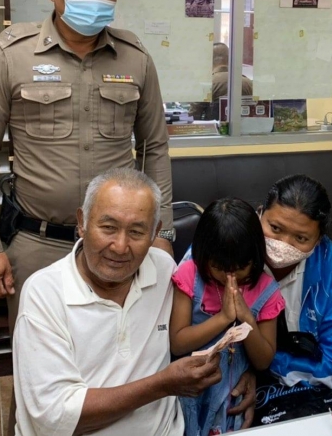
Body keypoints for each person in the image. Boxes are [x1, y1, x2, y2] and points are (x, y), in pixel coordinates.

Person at [0, 0, 177, 334]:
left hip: (119, 245)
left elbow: (154, 149)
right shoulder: (10, 54)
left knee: (120, 349)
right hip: (38, 242)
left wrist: (162, 232)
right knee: (39, 356)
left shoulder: (135, 57)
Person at [12, 167, 221, 435]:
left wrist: (243, 371)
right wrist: (162, 385)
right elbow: (55, 418)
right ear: (82, 222)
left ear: (155, 233)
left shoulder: (164, 270)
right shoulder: (44, 294)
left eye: (136, 232)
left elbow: (204, 323)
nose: (120, 247)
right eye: (109, 228)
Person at [253, 175, 332, 426]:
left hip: (312, 386)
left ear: (319, 238)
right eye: (275, 228)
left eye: (301, 238)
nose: (283, 245)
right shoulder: (228, 243)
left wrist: (265, 365)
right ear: (260, 213)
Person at [170, 198, 283, 436]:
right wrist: (223, 318)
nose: (229, 276)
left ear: (255, 257)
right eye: (219, 267)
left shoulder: (265, 290)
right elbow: (178, 343)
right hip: (190, 394)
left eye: (240, 268)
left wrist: (246, 318)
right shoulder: (190, 274)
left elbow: (263, 361)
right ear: (203, 254)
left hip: (232, 401)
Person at [190, 43, 253, 121]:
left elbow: (193, 117)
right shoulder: (248, 83)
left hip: (215, 128)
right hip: (244, 128)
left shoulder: (206, 84)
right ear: (230, 59)